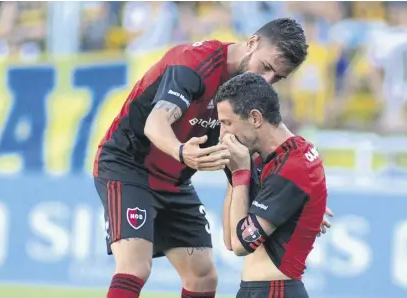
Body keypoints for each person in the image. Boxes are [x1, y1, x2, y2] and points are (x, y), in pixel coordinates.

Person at [93, 18, 320, 298]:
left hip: (174, 180)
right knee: (135, 266)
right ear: (252, 43)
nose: (268, 81)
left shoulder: (247, 94)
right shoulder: (193, 63)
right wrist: (180, 151)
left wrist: (299, 197)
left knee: (203, 276)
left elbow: (255, 151)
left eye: (278, 77)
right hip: (128, 165)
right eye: (266, 68)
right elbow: (156, 123)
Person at [217, 72, 328, 297]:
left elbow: (240, 244)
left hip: (275, 290)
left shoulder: (293, 166)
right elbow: (229, 239)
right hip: (255, 289)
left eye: (227, 123)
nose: (223, 134)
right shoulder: (267, 159)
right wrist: (235, 173)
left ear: (256, 118)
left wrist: (240, 173)